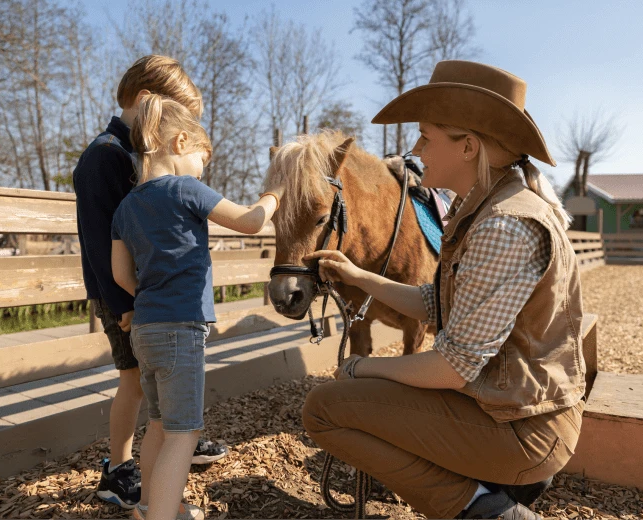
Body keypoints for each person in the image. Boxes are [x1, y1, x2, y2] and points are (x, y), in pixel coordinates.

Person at [302, 60, 586, 520]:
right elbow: (441, 305)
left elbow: (452, 367)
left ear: (469, 146)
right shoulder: (493, 208)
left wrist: (362, 367)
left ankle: (484, 507)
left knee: (323, 409)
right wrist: (361, 277)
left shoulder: (503, 226)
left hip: (518, 430)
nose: (415, 150)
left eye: (426, 137)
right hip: (510, 408)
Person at [111, 93, 285, 520]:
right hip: (180, 329)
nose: (202, 171)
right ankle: (163, 515)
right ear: (181, 142)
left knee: (158, 424)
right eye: (202, 161)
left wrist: (149, 298)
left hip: (144, 330)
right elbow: (249, 221)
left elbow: (120, 276)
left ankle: (150, 504)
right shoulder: (185, 189)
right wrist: (273, 196)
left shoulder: (125, 207)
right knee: (184, 435)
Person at [73, 55, 227, 511]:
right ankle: (119, 468)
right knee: (134, 380)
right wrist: (123, 302)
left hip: (152, 293)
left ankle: (175, 437)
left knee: (155, 381)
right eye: (172, 115)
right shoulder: (106, 156)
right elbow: (102, 241)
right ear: (145, 103)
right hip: (123, 294)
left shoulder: (139, 156)